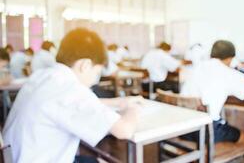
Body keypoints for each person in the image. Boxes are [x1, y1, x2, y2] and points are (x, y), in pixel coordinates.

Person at [3, 28, 143, 163]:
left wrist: (119, 102)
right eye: (97, 72)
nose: (96, 78)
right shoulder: (71, 89)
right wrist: (133, 109)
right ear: (85, 65)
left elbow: (78, 104)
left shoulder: (44, 75)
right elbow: (124, 130)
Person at [181, 40, 244, 163]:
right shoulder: (226, 71)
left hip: (183, 127)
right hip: (206, 130)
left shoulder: (197, 67)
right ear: (230, 59)